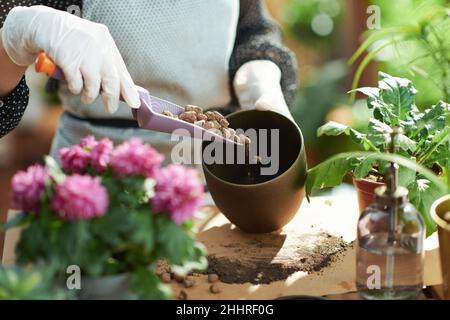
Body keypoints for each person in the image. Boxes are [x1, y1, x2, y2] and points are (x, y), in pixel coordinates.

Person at [0, 0, 296, 160]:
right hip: (97, 180)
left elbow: (252, 29)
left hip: (210, 171)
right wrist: (18, 33)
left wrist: (259, 70)